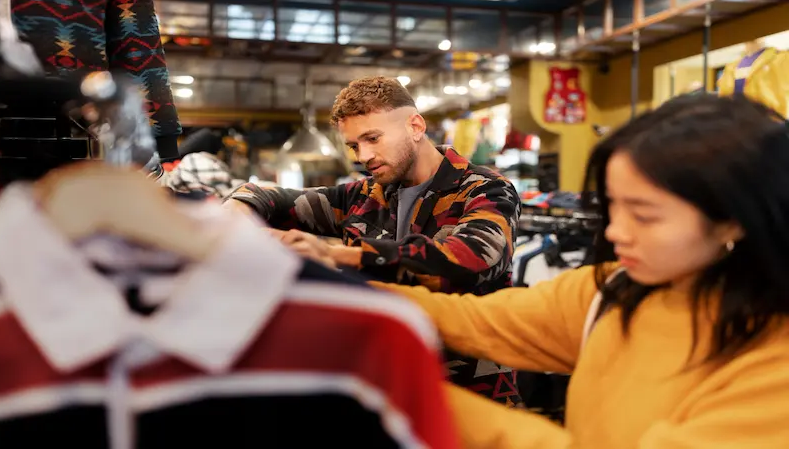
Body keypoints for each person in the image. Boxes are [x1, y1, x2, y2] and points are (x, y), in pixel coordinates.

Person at [371, 95, 789, 448]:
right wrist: (338, 289)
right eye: (612, 206)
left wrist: (400, 392)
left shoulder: (774, 366)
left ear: (734, 219)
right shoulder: (614, 289)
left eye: (644, 216)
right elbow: (477, 320)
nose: (614, 231)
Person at [224, 76, 521, 297]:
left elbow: (470, 260)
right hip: (381, 366)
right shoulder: (361, 196)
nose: (363, 156)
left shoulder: (487, 190)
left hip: (460, 376)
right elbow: (264, 195)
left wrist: (339, 255)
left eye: (373, 138)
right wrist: (231, 216)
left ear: (415, 127)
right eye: (354, 146)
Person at [9, 0, 181, 160]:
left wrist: (161, 138)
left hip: (73, 118)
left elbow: (136, 38)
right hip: (72, 118)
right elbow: (136, 41)